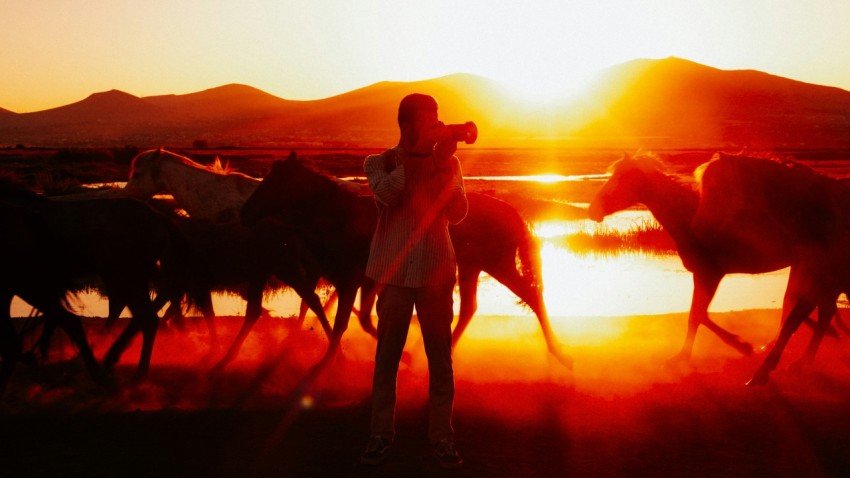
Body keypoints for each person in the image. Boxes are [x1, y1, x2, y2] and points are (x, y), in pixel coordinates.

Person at [359, 93, 469, 469]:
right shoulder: (378, 163)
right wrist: (417, 156)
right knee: (386, 359)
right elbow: (389, 195)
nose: (436, 126)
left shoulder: (448, 162)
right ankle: (380, 435)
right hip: (394, 274)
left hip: (436, 271)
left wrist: (438, 164)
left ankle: (442, 438)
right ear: (406, 126)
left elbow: (458, 212)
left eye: (439, 119)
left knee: (440, 359)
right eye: (429, 121)